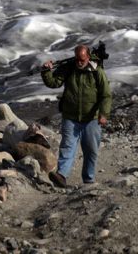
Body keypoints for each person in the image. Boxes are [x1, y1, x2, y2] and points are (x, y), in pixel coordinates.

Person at [41, 44, 112, 187]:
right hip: (70, 117)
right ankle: (61, 175)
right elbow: (54, 83)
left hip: (91, 119)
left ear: (88, 57)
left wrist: (103, 114)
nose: (80, 62)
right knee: (67, 146)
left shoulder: (97, 72)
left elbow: (106, 95)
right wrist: (46, 71)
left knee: (91, 150)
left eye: (83, 59)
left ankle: (88, 179)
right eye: (78, 59)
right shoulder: (69, 69)